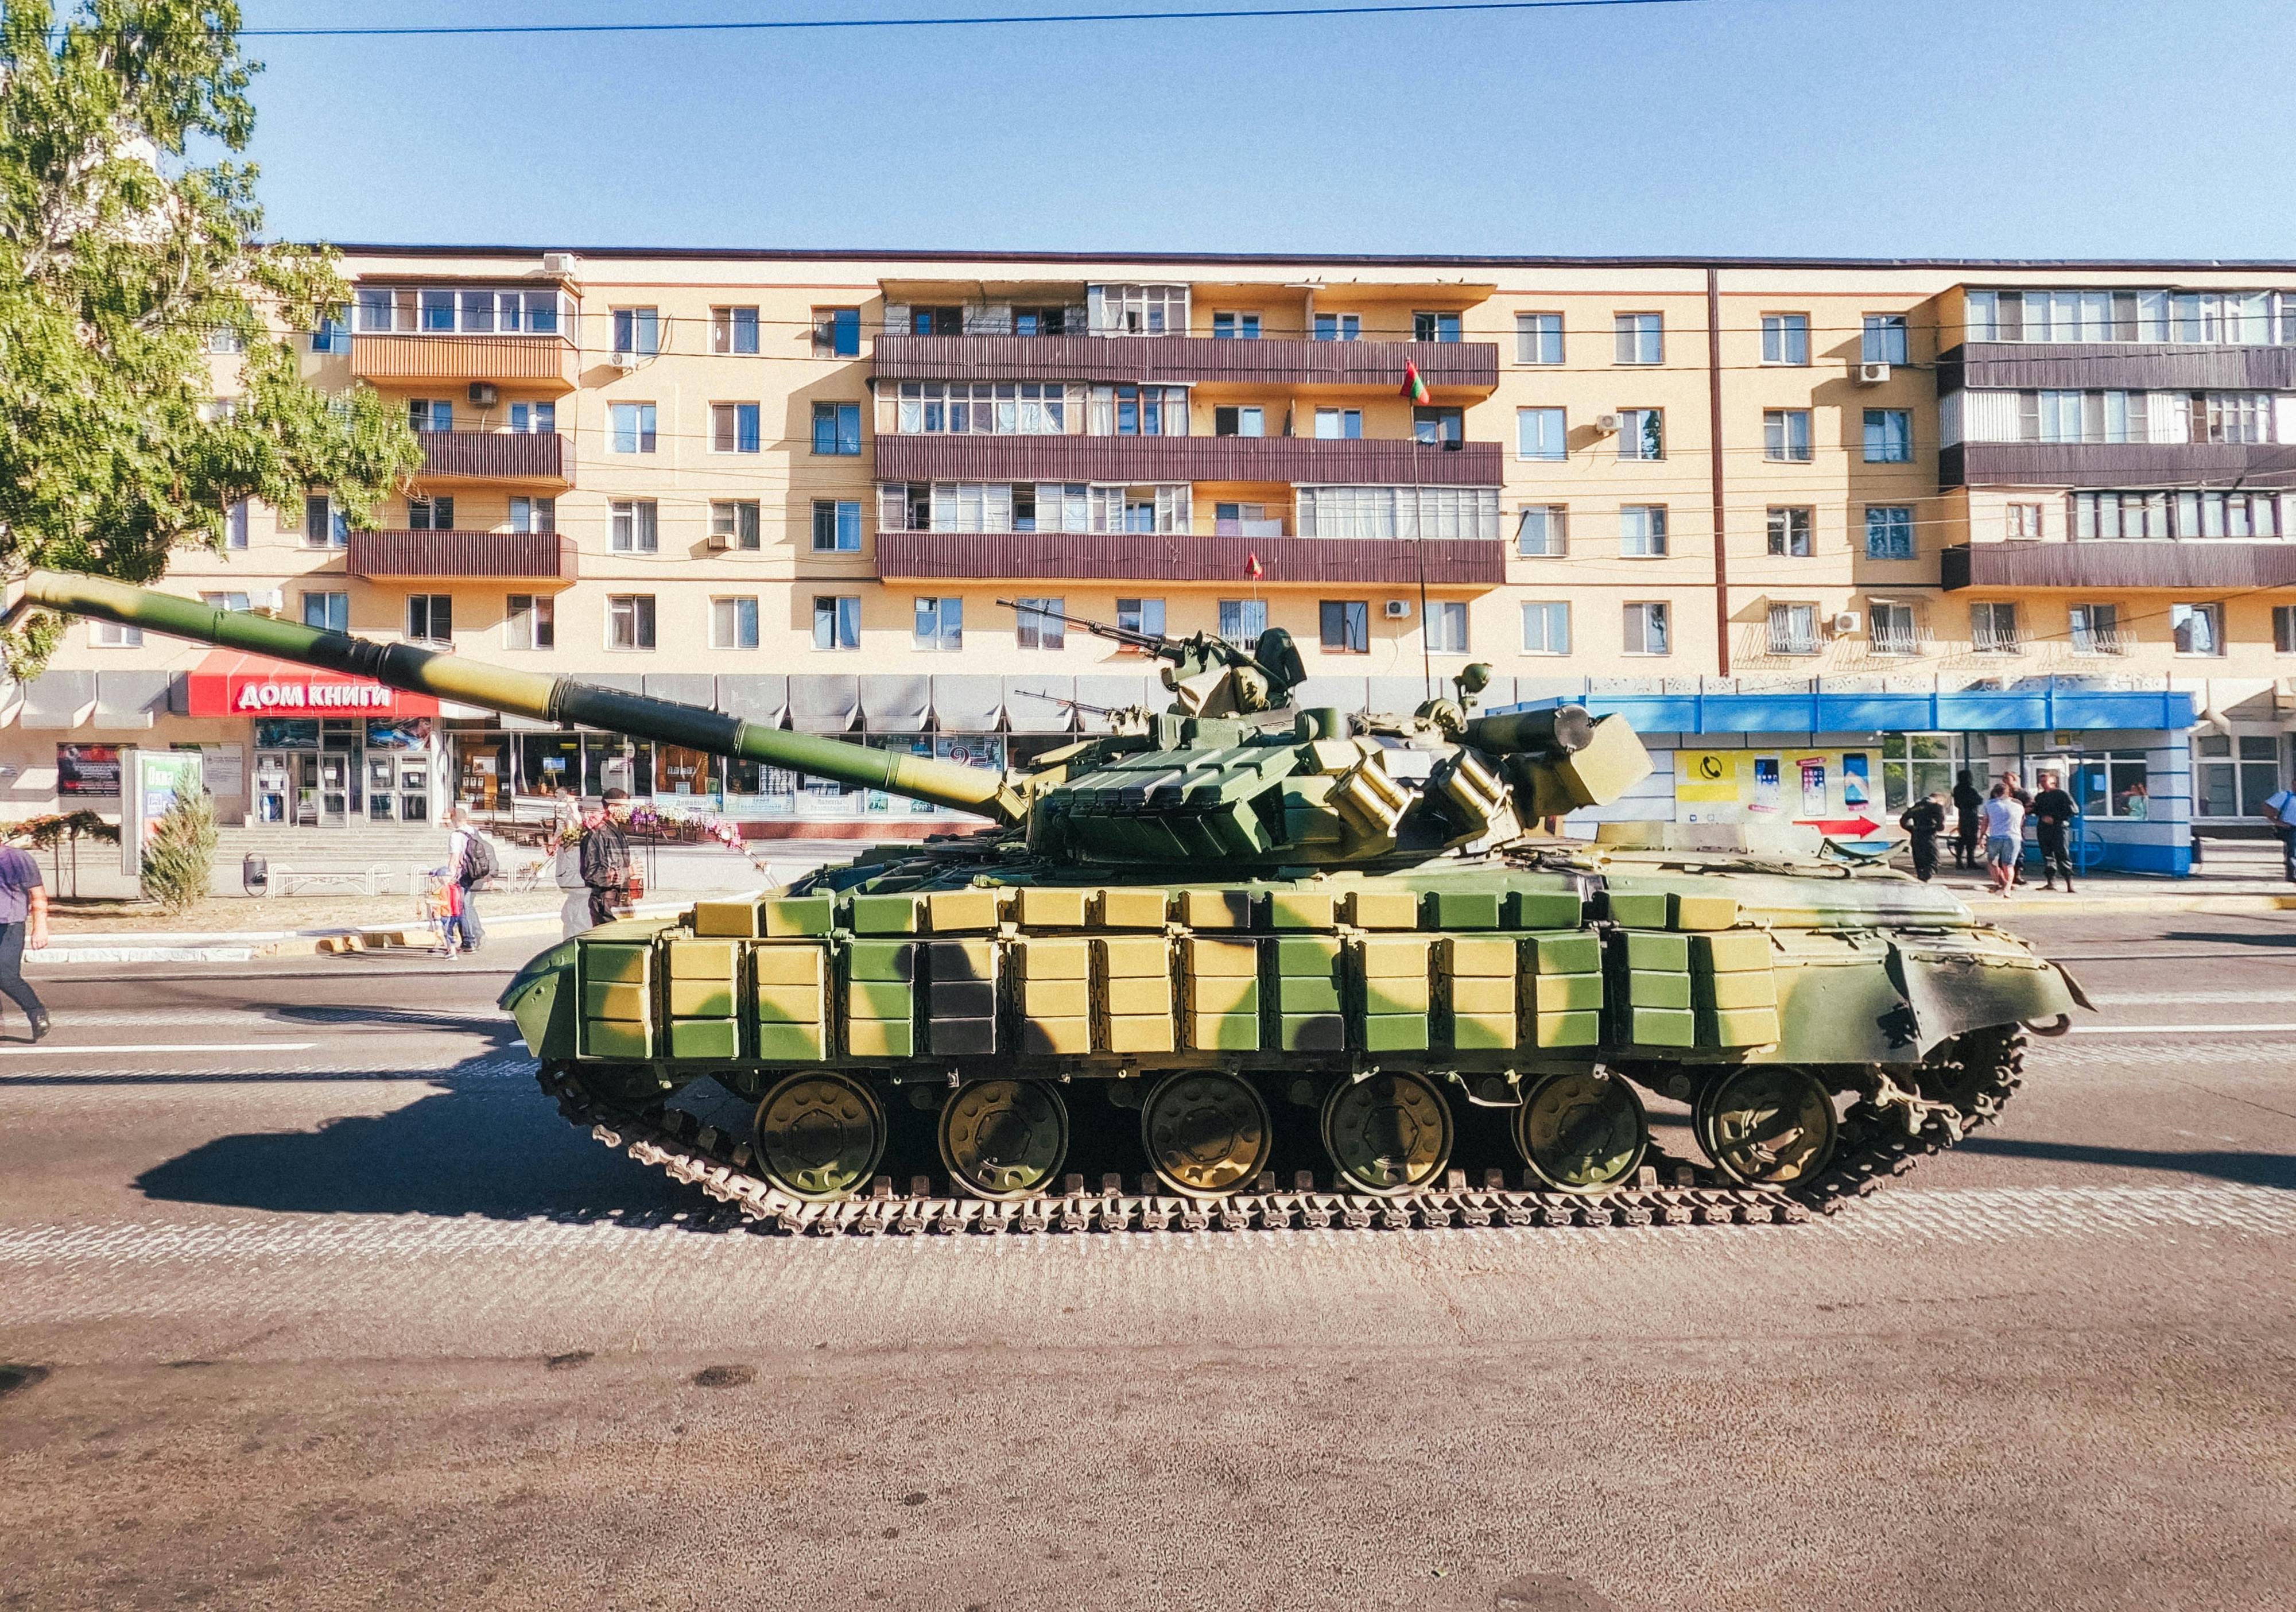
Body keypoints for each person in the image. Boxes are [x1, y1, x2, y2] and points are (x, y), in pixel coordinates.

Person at [0, 840, 51, 1041]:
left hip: (10, 925)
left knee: (6, 976)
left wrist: (40, 928)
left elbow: (38, 895)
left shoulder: (17, 858)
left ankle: (37, 1013)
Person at [579, 787, 635, 926]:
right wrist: (627, 872)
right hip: (606, 904)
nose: (628, 811)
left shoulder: (619, 834)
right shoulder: (597, 836)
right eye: (624, 807)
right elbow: (591, 874)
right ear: (611, 807)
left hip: (622, 903)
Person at [445, 808, 488, 953]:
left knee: (461, 908)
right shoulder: (475, 831)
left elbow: (455, 858)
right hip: (476, 873)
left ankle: (469, 941)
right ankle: (475, 936)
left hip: (462, 875)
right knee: (468, 906)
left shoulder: (456, 836)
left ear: (454, 820)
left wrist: (449, 876)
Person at [2030, 769, 2078, 893]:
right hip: (2043, 828)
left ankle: (2069, 883)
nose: (2043, 783)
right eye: (2041, 781)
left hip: (2059, 828)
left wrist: (2055, 818)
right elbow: (2037, 810)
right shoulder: (2040, 797)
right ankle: (2050, 882)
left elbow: (2073, 810)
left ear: (2053, 782)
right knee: (2047, 855)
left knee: (2062, 853)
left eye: (2045, 781)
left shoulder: (2062, 794)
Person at [1981, 781, 2026, 898]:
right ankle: (2007, 889)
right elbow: (2021, 822)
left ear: (1996, 793)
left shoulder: (1990, 804)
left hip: (1996, 837)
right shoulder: (2019, 805)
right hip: (2014, 837)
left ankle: (2001, 883)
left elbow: (1985, 822)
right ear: (2009, 793)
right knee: (2009, 865)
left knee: (1992, 862)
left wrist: (1981, 836)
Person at [1898, 791, 1946, 882]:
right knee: (1933, 860)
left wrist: (1912, 829)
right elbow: (1941, 826)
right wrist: (1936, 827)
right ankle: (1926, 877)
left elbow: (1904, 820)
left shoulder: (1916, 807)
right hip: (1929, 836)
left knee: (1919, 860)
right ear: (1939, 800)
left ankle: (1921, 878)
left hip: (1916, 836)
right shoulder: (1937, 807)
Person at [2264, 774, 2296, 884]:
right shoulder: (2285, 796)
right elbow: (2268, 807)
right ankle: (2294, 875)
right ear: (2294, 784)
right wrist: (2277, 822)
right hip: (2292, 828)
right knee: (2294, 851)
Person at [1951, 770, 1983, 870]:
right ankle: (1970, 861)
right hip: (1971, 816)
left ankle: (1960, 861)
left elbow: (1957, 803)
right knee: (1971, 840)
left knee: (1963, 838)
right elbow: (1979, 800)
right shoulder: (1969, 789)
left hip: (1963, 815)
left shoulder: (1957, 789)